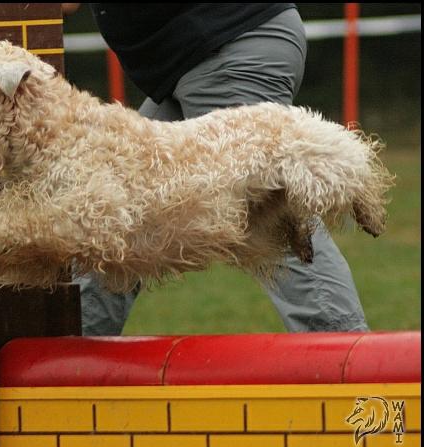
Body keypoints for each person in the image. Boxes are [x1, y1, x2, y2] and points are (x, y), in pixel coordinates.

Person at [64, 4, 370, 335]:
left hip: (226, 51)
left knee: (271, 218)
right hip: (197, 62)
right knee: (121, 213)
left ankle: (351, 365)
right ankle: (70, 361)